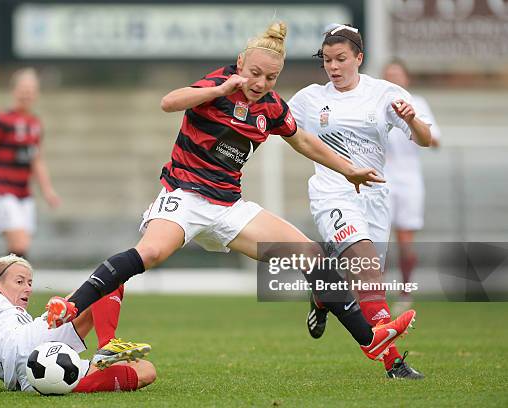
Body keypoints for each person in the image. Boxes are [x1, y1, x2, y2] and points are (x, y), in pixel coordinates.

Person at [44, 21, 416, 366]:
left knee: (312, 255)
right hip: (185, 196)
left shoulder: (271, 107)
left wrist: (348, 168)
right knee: (151, 252)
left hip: (227, 207)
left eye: (270, 77)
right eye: (254, 73)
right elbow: (168, 102)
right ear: (241, 63)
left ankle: (371, 342)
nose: (260, 82)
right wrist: (219, 89)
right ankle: (71, 305)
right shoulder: (218, 84)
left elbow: (301, 139)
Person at [288, 24, 432, 379]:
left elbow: (425, 139)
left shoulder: (384, 94)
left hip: (375, 197)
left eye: (341, 59)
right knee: (366, 267)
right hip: (332, 193)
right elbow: (277, 124)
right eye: (326, 60)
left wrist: (412, 121)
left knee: (365, 283)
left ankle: (323, 295)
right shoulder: (309, 99)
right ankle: (393, 362)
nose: (333, 67)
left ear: (359, 58)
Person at [0, 254, 155, 393]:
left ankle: (62, 384)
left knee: (146, 371)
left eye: (29, 282)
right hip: (27, 343)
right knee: (109, 276)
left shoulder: (21, 317)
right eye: (19, 281)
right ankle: (107, 344)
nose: (27, 287)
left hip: (34, 368)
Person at [0, 68, 60, 259]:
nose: (27, 93)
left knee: (20, 248)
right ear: (14, 91)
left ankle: (5, 286)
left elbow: (37, 160)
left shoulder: (35, 123)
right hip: (2, 190)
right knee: (19, 242)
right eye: (23, 88)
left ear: (36, 93)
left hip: (24, 193)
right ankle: (4, 285)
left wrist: (47, 190)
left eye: (31, 89)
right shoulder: (2, 119)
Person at [382, 59, 441, 314]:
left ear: (406, 79)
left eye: (398, 75)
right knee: (377, 240)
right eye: (389, 76)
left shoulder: (417, 103)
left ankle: (405, 293)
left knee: (405, 240)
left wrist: (413, 121)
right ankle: (375, 295)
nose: (394, 80)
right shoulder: (376, 101)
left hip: (408, 180)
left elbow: (434, 139)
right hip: (379, 179)